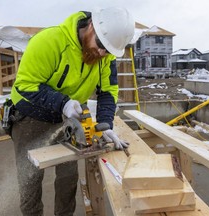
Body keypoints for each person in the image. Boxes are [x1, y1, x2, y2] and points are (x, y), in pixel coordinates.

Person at [10, 6, 135, 216]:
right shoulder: (48, 41)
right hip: (31, 114)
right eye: (101, 45)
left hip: (69, 117)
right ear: (92, 26)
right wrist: (62, 103)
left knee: (68, 178)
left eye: (109, 51)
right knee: (30, 179)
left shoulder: (106, 55)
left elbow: (108, 91)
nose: (102, 53)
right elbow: (26, 85)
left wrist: (105, 124)